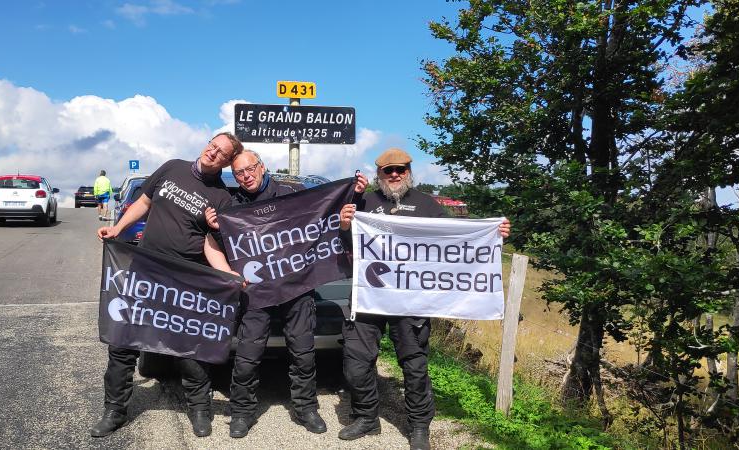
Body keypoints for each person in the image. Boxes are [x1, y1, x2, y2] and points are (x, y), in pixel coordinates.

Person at [337, 148, 511, 450]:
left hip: (412, 300)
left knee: (414, 366)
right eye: (388, 170)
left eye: (400, 170)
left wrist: (494, 234)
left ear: (408, 172)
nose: (394, 175)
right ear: (379, 174)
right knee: (356, 363)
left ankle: (419, 426)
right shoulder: (362, 202)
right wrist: (343, 225)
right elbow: (342, 245)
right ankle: (367, 417)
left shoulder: (427, 204)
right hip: (369, 296)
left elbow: (455, 243)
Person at [90, 132, 244, 439]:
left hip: (185, 281)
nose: (212, 153)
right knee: (123, 343)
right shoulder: (172, 167)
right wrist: (117, 228)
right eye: (212, 146)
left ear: (227, 162)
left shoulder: (221, 197)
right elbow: (143, 203)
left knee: (190, 349)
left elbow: (211, 244)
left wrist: (228, 274)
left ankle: (200, 409)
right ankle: (114, 410)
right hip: (145, 272)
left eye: (221, 153)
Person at [204, 149, 361, 438]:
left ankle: (306, 408)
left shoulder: (293, 191)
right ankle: (241, 413)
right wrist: (227, 265)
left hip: (296, 288)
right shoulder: (230, 203)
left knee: (303, 354)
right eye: (239, 172)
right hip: (255, 294)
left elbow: (326, 211)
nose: (246, 176)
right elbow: (211, 243)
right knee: (247, 357)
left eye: (250, 169)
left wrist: (352, 192)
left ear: (262, 167)